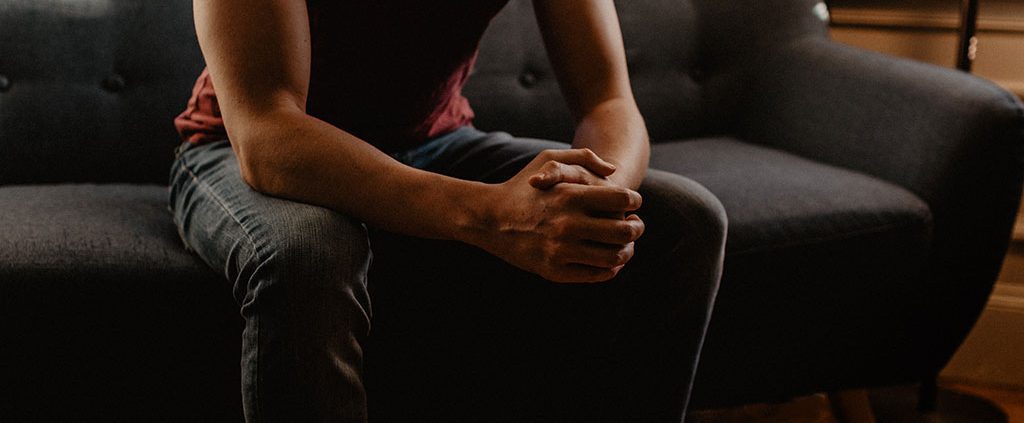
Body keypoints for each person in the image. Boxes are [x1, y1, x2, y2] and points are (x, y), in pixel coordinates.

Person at [169, 0, 726, 422]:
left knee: (683, 222)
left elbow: (608, 98)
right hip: (240, 147)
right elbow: (267, 133)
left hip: (434, 141)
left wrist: (596, 201)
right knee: (311, 254)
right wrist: (490, 214)